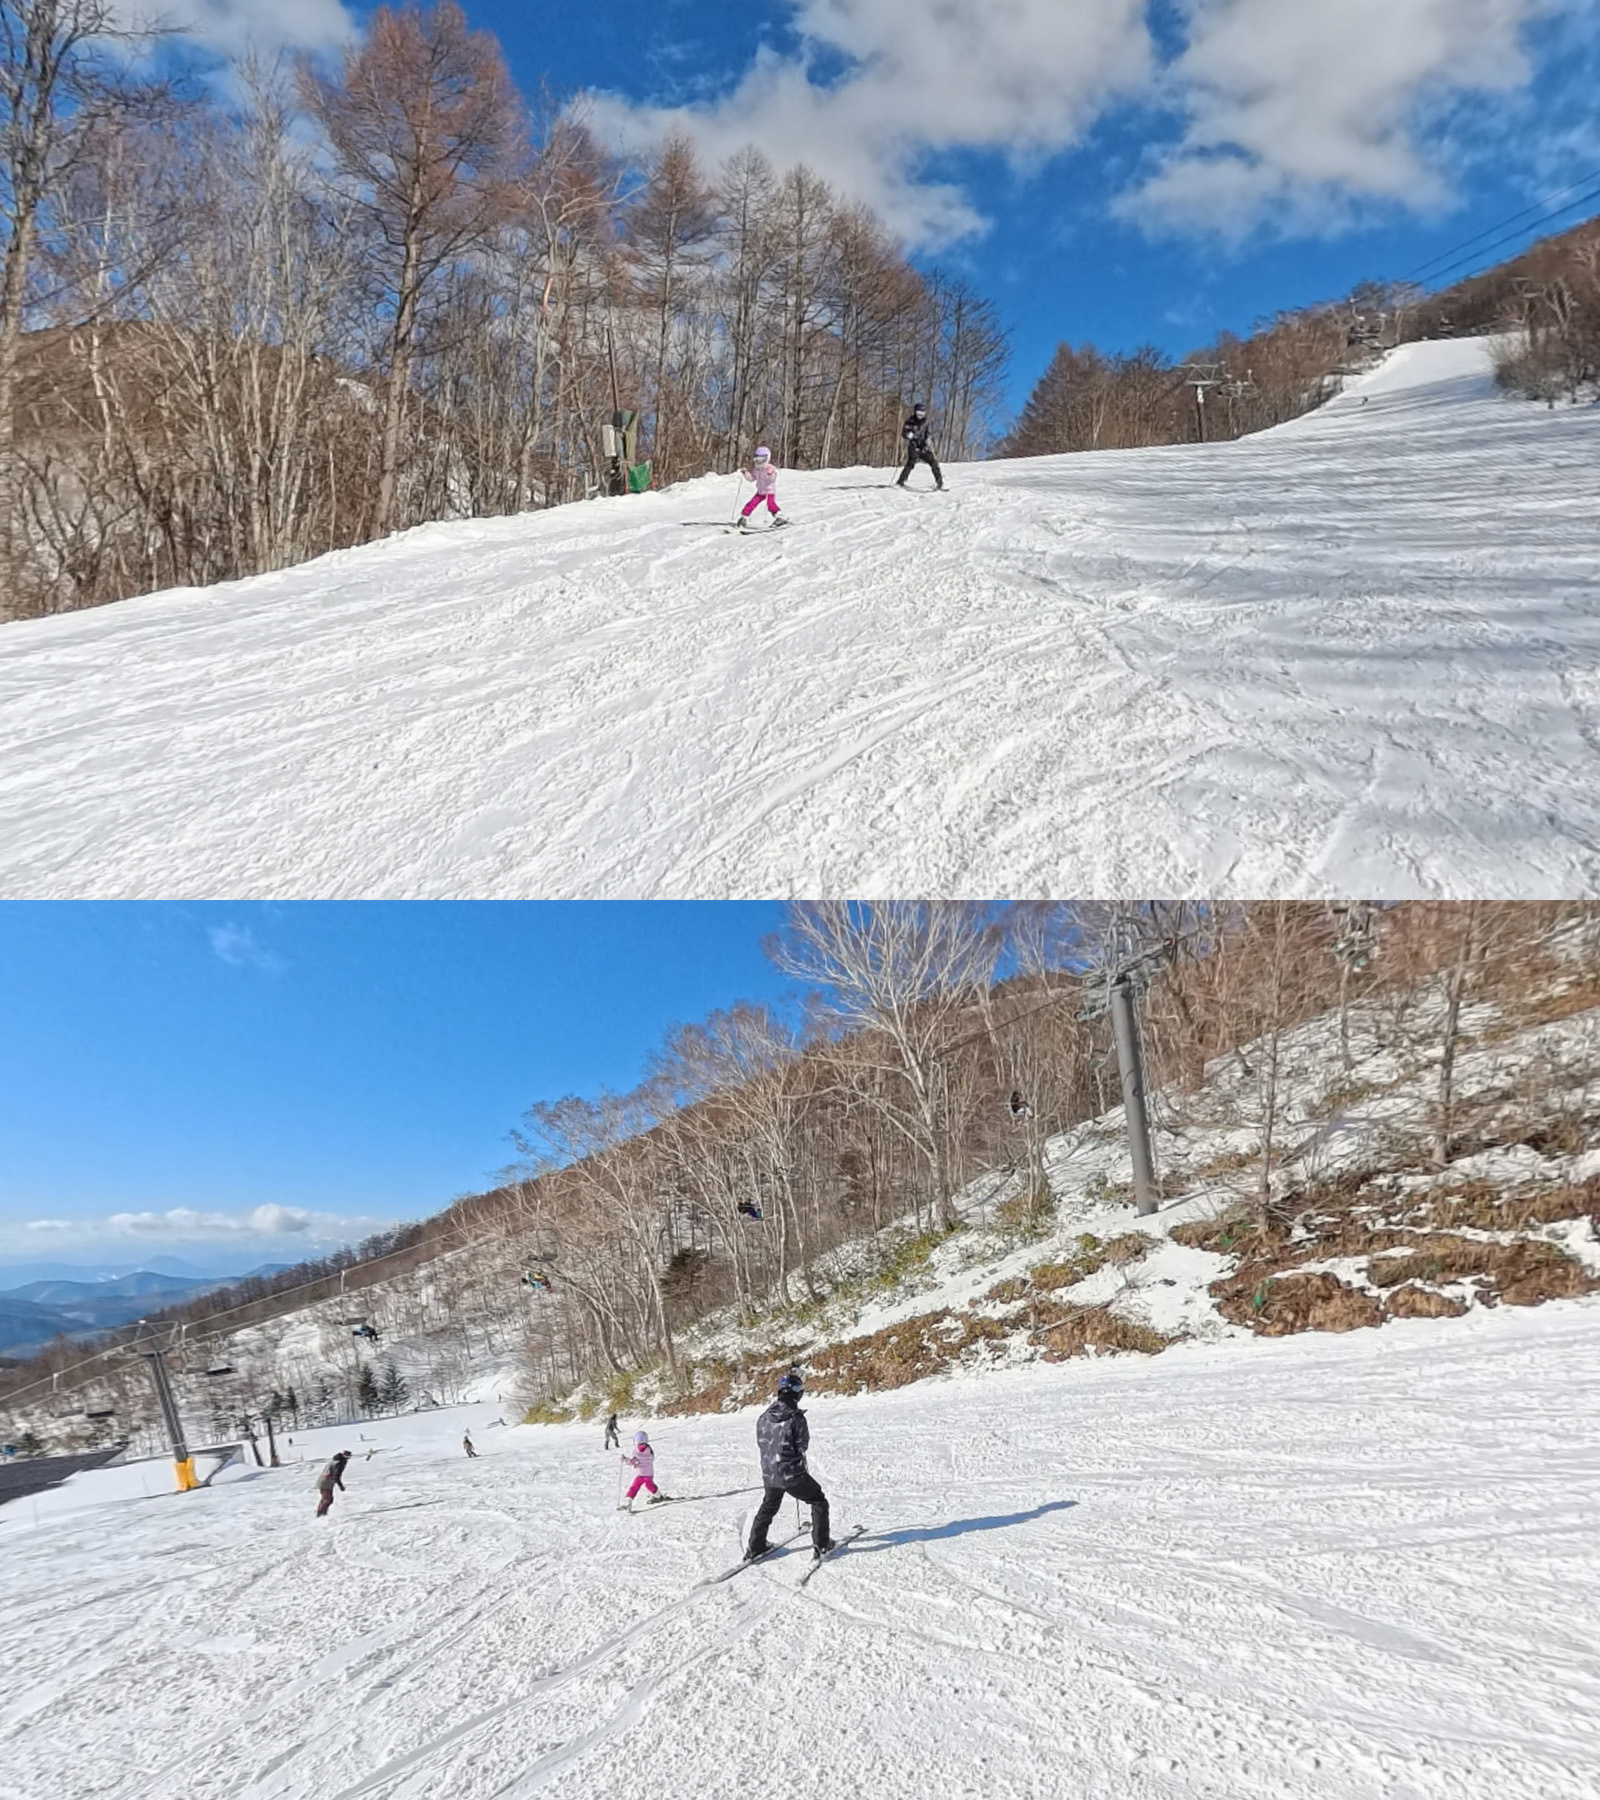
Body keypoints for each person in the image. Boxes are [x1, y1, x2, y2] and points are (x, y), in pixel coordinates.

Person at [745, 1373, 832, 1560]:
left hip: (770, 1473)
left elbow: (762, 1443)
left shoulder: (764, 1417)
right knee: (818, 1500)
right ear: (796, 1393)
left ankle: (756, 1546)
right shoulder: (795, 1417)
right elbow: (802, 1445)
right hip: (792, 1474)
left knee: (769, 1505)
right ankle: (822, 1544)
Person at [896, 403, 943, 490]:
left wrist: (928, 440)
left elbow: (928, 433)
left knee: (933, 462)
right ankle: (900, 482)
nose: (920, 416)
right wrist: (908, 435)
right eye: (918, 413)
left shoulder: (925, 423)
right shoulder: (910, 422)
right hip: (913, 446)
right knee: (911, 462)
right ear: (915, 412)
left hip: (923, 447)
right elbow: (904, 432)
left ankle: (940, 483)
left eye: (922, 413)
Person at [738, 447, 787, 530]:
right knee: (751, 503)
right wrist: (745, 473)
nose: (759, 462)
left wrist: (770, 474)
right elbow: (752, 478)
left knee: (770, 504)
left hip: (769, 491)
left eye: (762, 459)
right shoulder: (757, 469)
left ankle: (780, 517)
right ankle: (744, 517)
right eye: (757, 459)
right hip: (760, 492)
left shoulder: (770, 468)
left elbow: (772, 480)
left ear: (767, 458)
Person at [621, 1430, 664, 1507]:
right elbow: (651, 1458)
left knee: (634, 1487)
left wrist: (625, 1459)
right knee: (650, 1485)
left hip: (640, 1474)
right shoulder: (649, 1449)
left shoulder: (637, 1451)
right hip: (649, 1473)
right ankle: (658, 1496)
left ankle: (628, 1502)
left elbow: (632, 1462)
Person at [315, 1450, 351, 1517]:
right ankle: (321, 1514)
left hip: (323, 1479)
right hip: (327, 1481)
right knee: (328, 1499)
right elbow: (336, 1476)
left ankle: (320, 1512)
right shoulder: (339, 1463)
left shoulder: (335, 1460)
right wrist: (341, 1486)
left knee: (326, 1498)